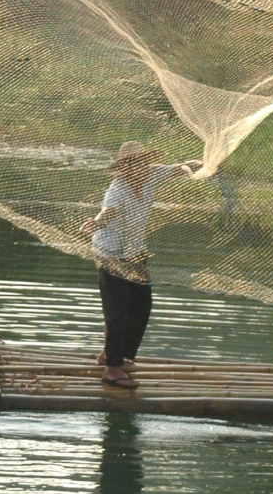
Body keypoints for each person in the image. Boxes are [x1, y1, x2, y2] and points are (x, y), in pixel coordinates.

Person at [80, 141, 200, 389]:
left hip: (135, 254)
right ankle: (112, 370)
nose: (139, 167)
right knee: (118, 310)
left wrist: (199, 165)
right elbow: (107, 212)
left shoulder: (152, 174)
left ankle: (114, 356)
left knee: (142, 306)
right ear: (123, 168)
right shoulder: (118, 188)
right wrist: (96, 223)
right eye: (133, 164)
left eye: (142, 162)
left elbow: (180, 168)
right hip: (110, 254)